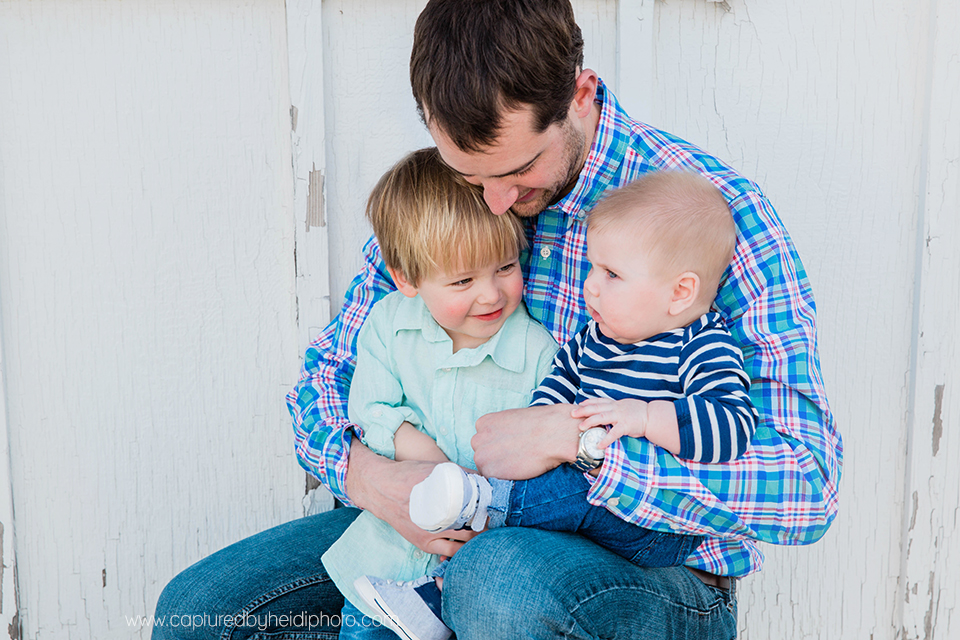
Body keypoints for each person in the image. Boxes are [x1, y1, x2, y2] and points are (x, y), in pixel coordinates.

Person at [153, 1, 842, 638]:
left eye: (519, 170)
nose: (493, 203)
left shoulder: (711, 215)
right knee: (198, 613)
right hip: (424, 526)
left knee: (497, 581)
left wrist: (582, 442)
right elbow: (326, 377)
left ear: (579, 93)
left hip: (644, 569)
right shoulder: (456, 189)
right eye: (471, 175)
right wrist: (367, 477)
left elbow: (807, 485)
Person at [358, 170, 760, 640]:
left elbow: (732, 427)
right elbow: (550, 401)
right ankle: (440, 588)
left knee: (576, 492)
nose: (590, 286)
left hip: (652, 527)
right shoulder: (593, 340)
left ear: (680, 293)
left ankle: (478, 505)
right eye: (592, 268)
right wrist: (529, 433)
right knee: (553, 491)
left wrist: (645, 418)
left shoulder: (701, 346)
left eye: (611, 275)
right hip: (578, 535)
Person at [321, 146, 561, 639]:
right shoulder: (388, 326)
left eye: (505, 268)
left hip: (476, 570)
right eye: (462, 280)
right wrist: (439, 471)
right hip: (384, 559)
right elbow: (370, 409)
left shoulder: (536, 351)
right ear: (407, 278)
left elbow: (542, 453)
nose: (491, 294)